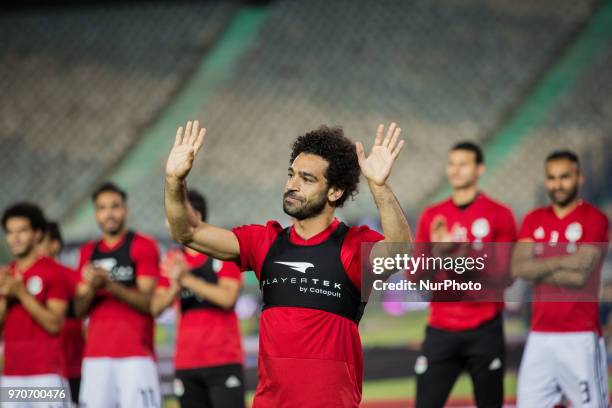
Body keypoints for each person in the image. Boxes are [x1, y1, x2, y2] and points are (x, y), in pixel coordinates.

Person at [164, 120, 411, 407]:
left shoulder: (353, 246)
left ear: (334, 191)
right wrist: (174, 181)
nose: (292, 185)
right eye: (291, 175)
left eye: (307, 179)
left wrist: (379, 186)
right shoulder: (264, 243)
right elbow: (187, 231)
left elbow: (400, 253)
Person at [413, 142, 517, 408]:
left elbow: (504, 276)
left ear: (480, 169)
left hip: (485, 328)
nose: (455, 170)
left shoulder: (500, 215)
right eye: (451, 163)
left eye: (463, 164)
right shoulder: (432, 216)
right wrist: (438, 254)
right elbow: (415, 276)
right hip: (440, 329)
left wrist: (458, 251)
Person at [513, 150, 609, 407]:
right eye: (552, 178)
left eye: (564, 177)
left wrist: (540, 264)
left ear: (579, 178)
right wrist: (565, 260)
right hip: (539, 336)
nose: (557, 184)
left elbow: (581, 275)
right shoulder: (534, 219)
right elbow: (519, 267)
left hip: (580, 337)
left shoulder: (595, 219)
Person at [152, 189, 245, 408]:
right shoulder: (172, 259)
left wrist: (186, 279)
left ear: (195, 216)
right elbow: (156, 307)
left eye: (173, 215)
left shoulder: (223, 252)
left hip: (223, 360)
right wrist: (175, 286)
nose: (168, 223)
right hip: (186, 363)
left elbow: (228, 298)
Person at [74, 182, 161, 408]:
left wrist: (109, 285)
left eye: (114, 206)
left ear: (126, 210)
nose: (109, 213)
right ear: (95, 214)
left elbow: (148, 303)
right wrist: (93, 288)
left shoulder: (143, 245)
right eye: (102, 208)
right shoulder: (87, 252)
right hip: (95, 357)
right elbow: (78, 310)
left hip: (135, 356)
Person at [0, 203, 71, 407]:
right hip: (11, 377)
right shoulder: (6, 275)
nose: (15, 238)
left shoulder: (53, 271)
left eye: (22, 231)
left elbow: (55, 324)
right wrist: (5, 296)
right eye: (10, 232)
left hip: (46, 375)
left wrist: (21, 293)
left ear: (37, 234)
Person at [38, 220, 85, 406]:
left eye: (40, 241)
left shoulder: (73, 278)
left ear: (55, 245)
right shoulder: (17, 280)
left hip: (72, 370)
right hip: (33, 371)